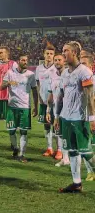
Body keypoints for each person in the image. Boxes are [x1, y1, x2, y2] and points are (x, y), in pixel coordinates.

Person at [55, 41, 95, 193]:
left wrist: (92, 119)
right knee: (72, 151)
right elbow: (60, 96)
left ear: (74, 53)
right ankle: (76, 183)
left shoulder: (84, 72)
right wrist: (57, 116)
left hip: (80, 119)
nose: (63, 53)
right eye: (63, 50)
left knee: (86, 152)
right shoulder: (64, 73)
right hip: (66, 118)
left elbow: (90, 97)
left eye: (66, 51)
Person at [1, 53, 38, 162]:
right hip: (12, 107)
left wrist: (36, 106)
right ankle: (15, 148)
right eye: (23, 60)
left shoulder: (31, 75)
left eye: (26, 60)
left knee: (23, 131)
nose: (25, 62)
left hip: (25, 107)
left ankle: (22, 154)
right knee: (11, 131)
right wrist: (8, 83)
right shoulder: (10, 73)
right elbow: (1, 87)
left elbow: (35, 91)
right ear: (18, 61)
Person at [0, 46, 17, 148]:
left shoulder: (13, 64)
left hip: (8, 98)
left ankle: (13, 143)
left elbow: (17, 80)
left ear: (7, 54)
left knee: (10, 120)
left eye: (1, 52)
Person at [46, 54, 70, 165]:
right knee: (60, 133)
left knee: (70, 134)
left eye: (59, 60)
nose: (57, 62)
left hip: (70, 109)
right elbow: (51, 94)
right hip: (57, 108)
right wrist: (48, 110)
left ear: (64, 61)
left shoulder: (69, 74)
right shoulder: (53, 75)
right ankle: (65, 158)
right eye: (55, 60)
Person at [35, 44, 57, 157]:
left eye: (51, 54)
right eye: (47, 53)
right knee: (46, 125)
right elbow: (38, 84)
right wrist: (39, 98)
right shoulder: (39, 68)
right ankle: (49, 148)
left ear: (54, 55)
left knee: (56, 125)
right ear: (44, 54)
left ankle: (59, 149)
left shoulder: (56, 68)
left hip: (56, 102)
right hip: (43, 101)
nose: (49, 55)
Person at [80, 53, 95, 181]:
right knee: (85, 146)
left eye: (84, 64)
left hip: (92, 117)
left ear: (91, 65)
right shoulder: (79, 79)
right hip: (84, 117)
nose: (81, 66)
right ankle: (90, 172)